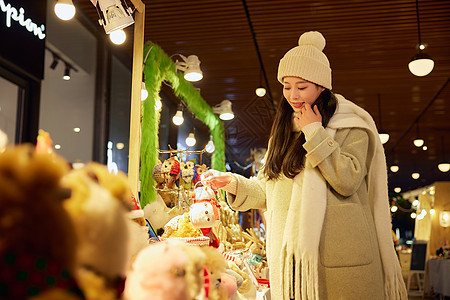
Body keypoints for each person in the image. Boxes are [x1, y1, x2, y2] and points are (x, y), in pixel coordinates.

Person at [202, 31, 407, 299]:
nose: (293, 95)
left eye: (302, 86)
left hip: (338, 258)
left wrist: (314, 131)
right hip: (292, 260)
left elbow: (347, 180)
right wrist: (234, 183)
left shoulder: (351, 125)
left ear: (322, 86)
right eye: (287, 86)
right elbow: (269, 188)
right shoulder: (284, 130)